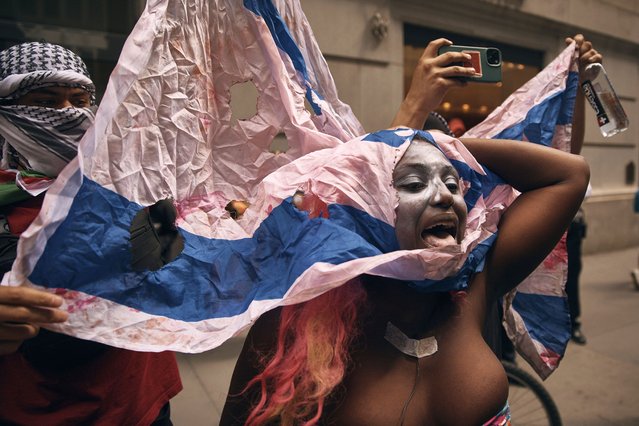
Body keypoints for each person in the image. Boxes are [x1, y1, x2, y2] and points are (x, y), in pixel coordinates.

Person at [219, 40, 590, 425]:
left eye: (453, 183)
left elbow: (568, 175)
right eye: (414, 185)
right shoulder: (297, 328)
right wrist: (404, 131)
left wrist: (440, 147)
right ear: (371, 212)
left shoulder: (474, 289)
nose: (445, 197)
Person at [0, 42, 182, 426]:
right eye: (47, 102)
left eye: (79, 100)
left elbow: (164, 269)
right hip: (32, 407)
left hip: (138, 397)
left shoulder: (125, 178)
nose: (68, 113)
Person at [564, 34, 603, 345]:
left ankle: (572, 321)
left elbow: (570, 153)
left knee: (571, 274)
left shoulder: (565, 165)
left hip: (571, 224)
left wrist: (577, 85)